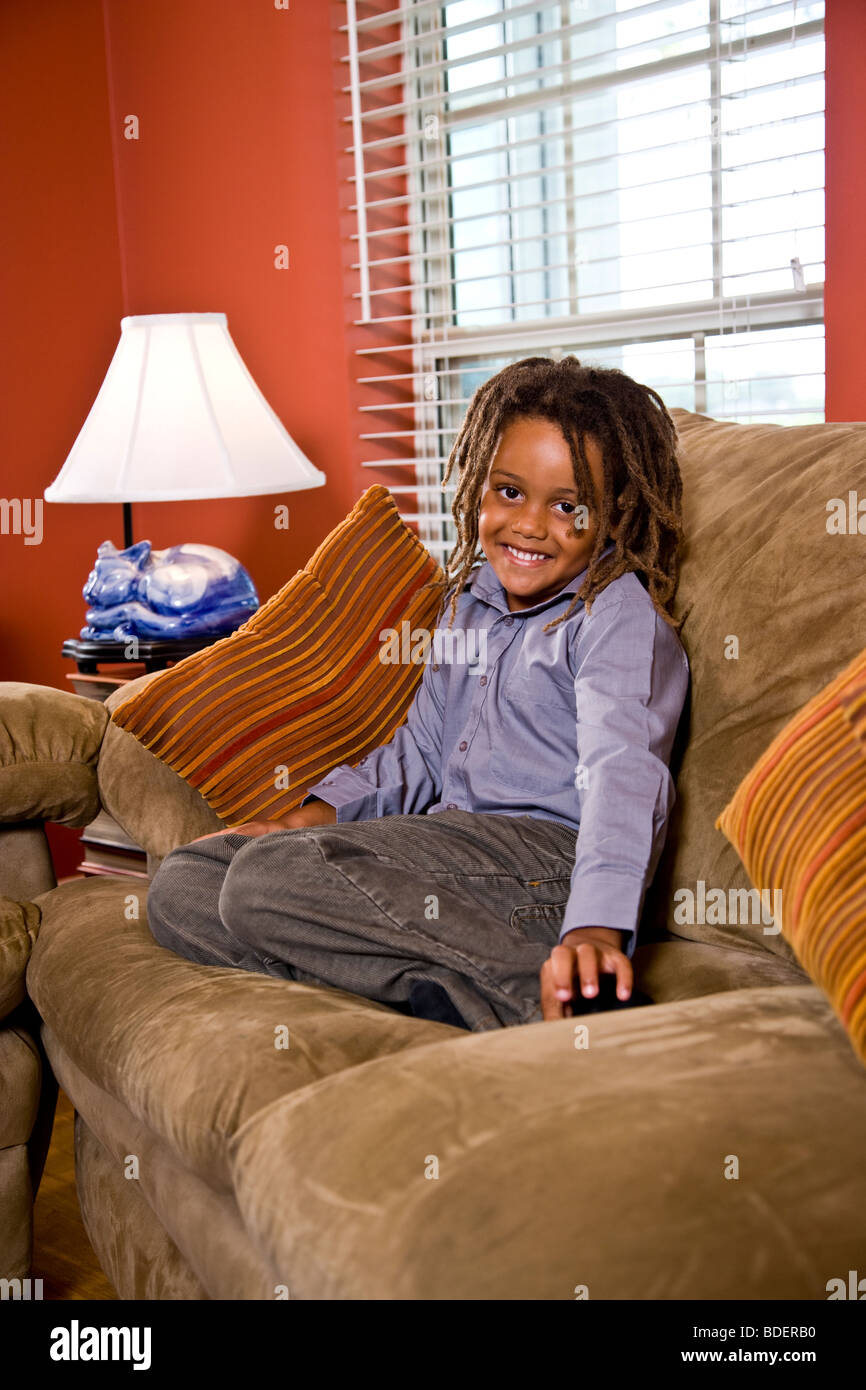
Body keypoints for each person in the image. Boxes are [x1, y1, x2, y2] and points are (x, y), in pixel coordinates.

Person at [146, 356, 690, 1032]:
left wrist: (597, 929)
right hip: (446, 856)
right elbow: (424, 751)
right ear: (476, 488)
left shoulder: (615, 616)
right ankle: (430, 993)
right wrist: (301, 824)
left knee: (268, 881)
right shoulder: (469, 603)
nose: (528, 525)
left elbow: (624, 773)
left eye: (567, 507)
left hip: (546, 868)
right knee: (186, 883)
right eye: (510, 492)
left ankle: (574, 1009)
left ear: (614, 516)